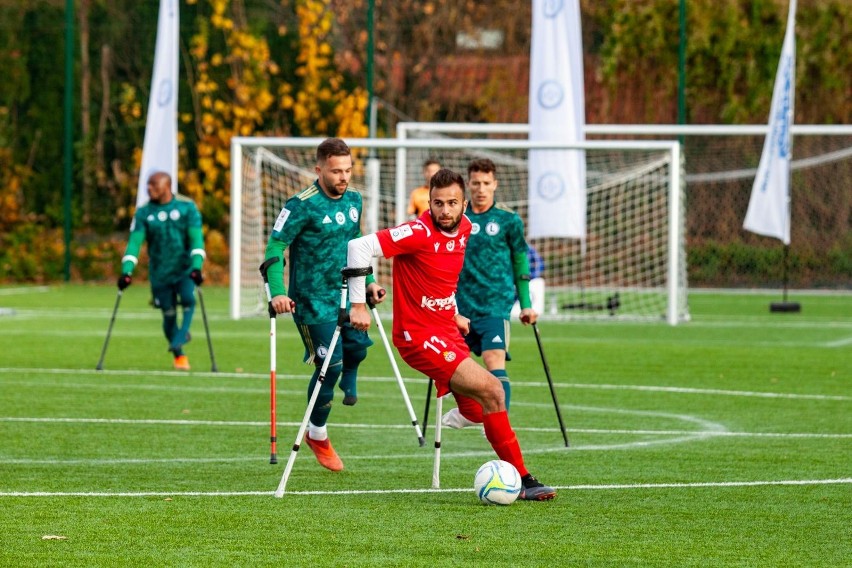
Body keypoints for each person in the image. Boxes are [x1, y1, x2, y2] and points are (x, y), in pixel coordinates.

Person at [346, 168, 556, 501]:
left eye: (452, 203)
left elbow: (444, 274)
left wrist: (453, 309)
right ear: (428, 201)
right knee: (493, 390)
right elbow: (358, 247)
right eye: (438, 203)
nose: (445, 211)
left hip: (446, 329)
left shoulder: (468, 227)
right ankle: (524, 480)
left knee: (476, 410)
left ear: (464, 203)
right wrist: (357, 304)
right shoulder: (416, 231)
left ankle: (465, 419)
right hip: (418, 336)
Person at [263, 137, 385, 472]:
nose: (343, 177)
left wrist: (371, 283)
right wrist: (276, 292)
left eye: (348, 170)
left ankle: (352, 375)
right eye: (335, 171)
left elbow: (357, 244)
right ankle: (317, 433)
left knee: (359, 348)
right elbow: (275, 248)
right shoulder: (301, 205)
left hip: (349, 293)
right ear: (319, 169)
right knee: (329, 367)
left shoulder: (355, 200)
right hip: (310, 301)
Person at [445, 158, 537, 426]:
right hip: (460, 306)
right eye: (476, 183)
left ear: (495, 184)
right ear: (468, 185)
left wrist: (526, 303)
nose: (481, 189)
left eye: (486, 183)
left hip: (495, 303)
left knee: (493, 358)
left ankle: (498, 426)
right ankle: (467, 412)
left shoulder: (509, 220)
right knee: (453, 365)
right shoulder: (457, 217)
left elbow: (521, 261)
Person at [118, 171, 206, 371]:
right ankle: (179, 355)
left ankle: (183, 333)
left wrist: (196, 267)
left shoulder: (186, 207)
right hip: (159, 273)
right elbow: (134, 243)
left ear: (167, 187)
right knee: (168, 315)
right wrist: (127, 271)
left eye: (154, 186)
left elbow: (196, 240)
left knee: (188, 298)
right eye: (148, 185)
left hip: (184, 269)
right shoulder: (144, 212)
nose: (149, 189)